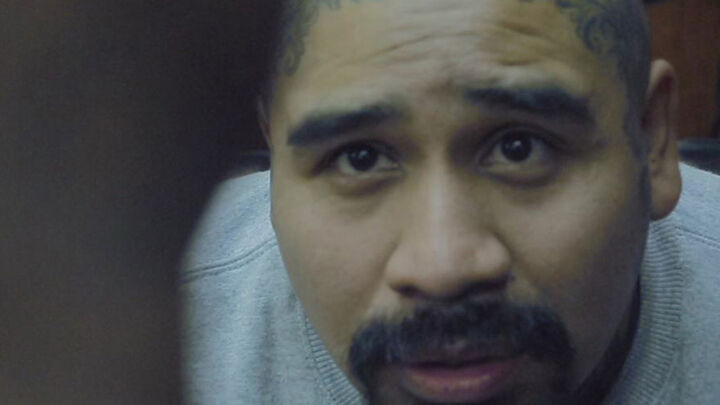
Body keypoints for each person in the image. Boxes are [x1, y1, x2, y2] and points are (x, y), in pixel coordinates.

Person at [182, 0, 720, 403]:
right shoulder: (165, 331)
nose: (442, 269)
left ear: (652, 142)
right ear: (275, 151)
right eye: (360, 159)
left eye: (519, 148)